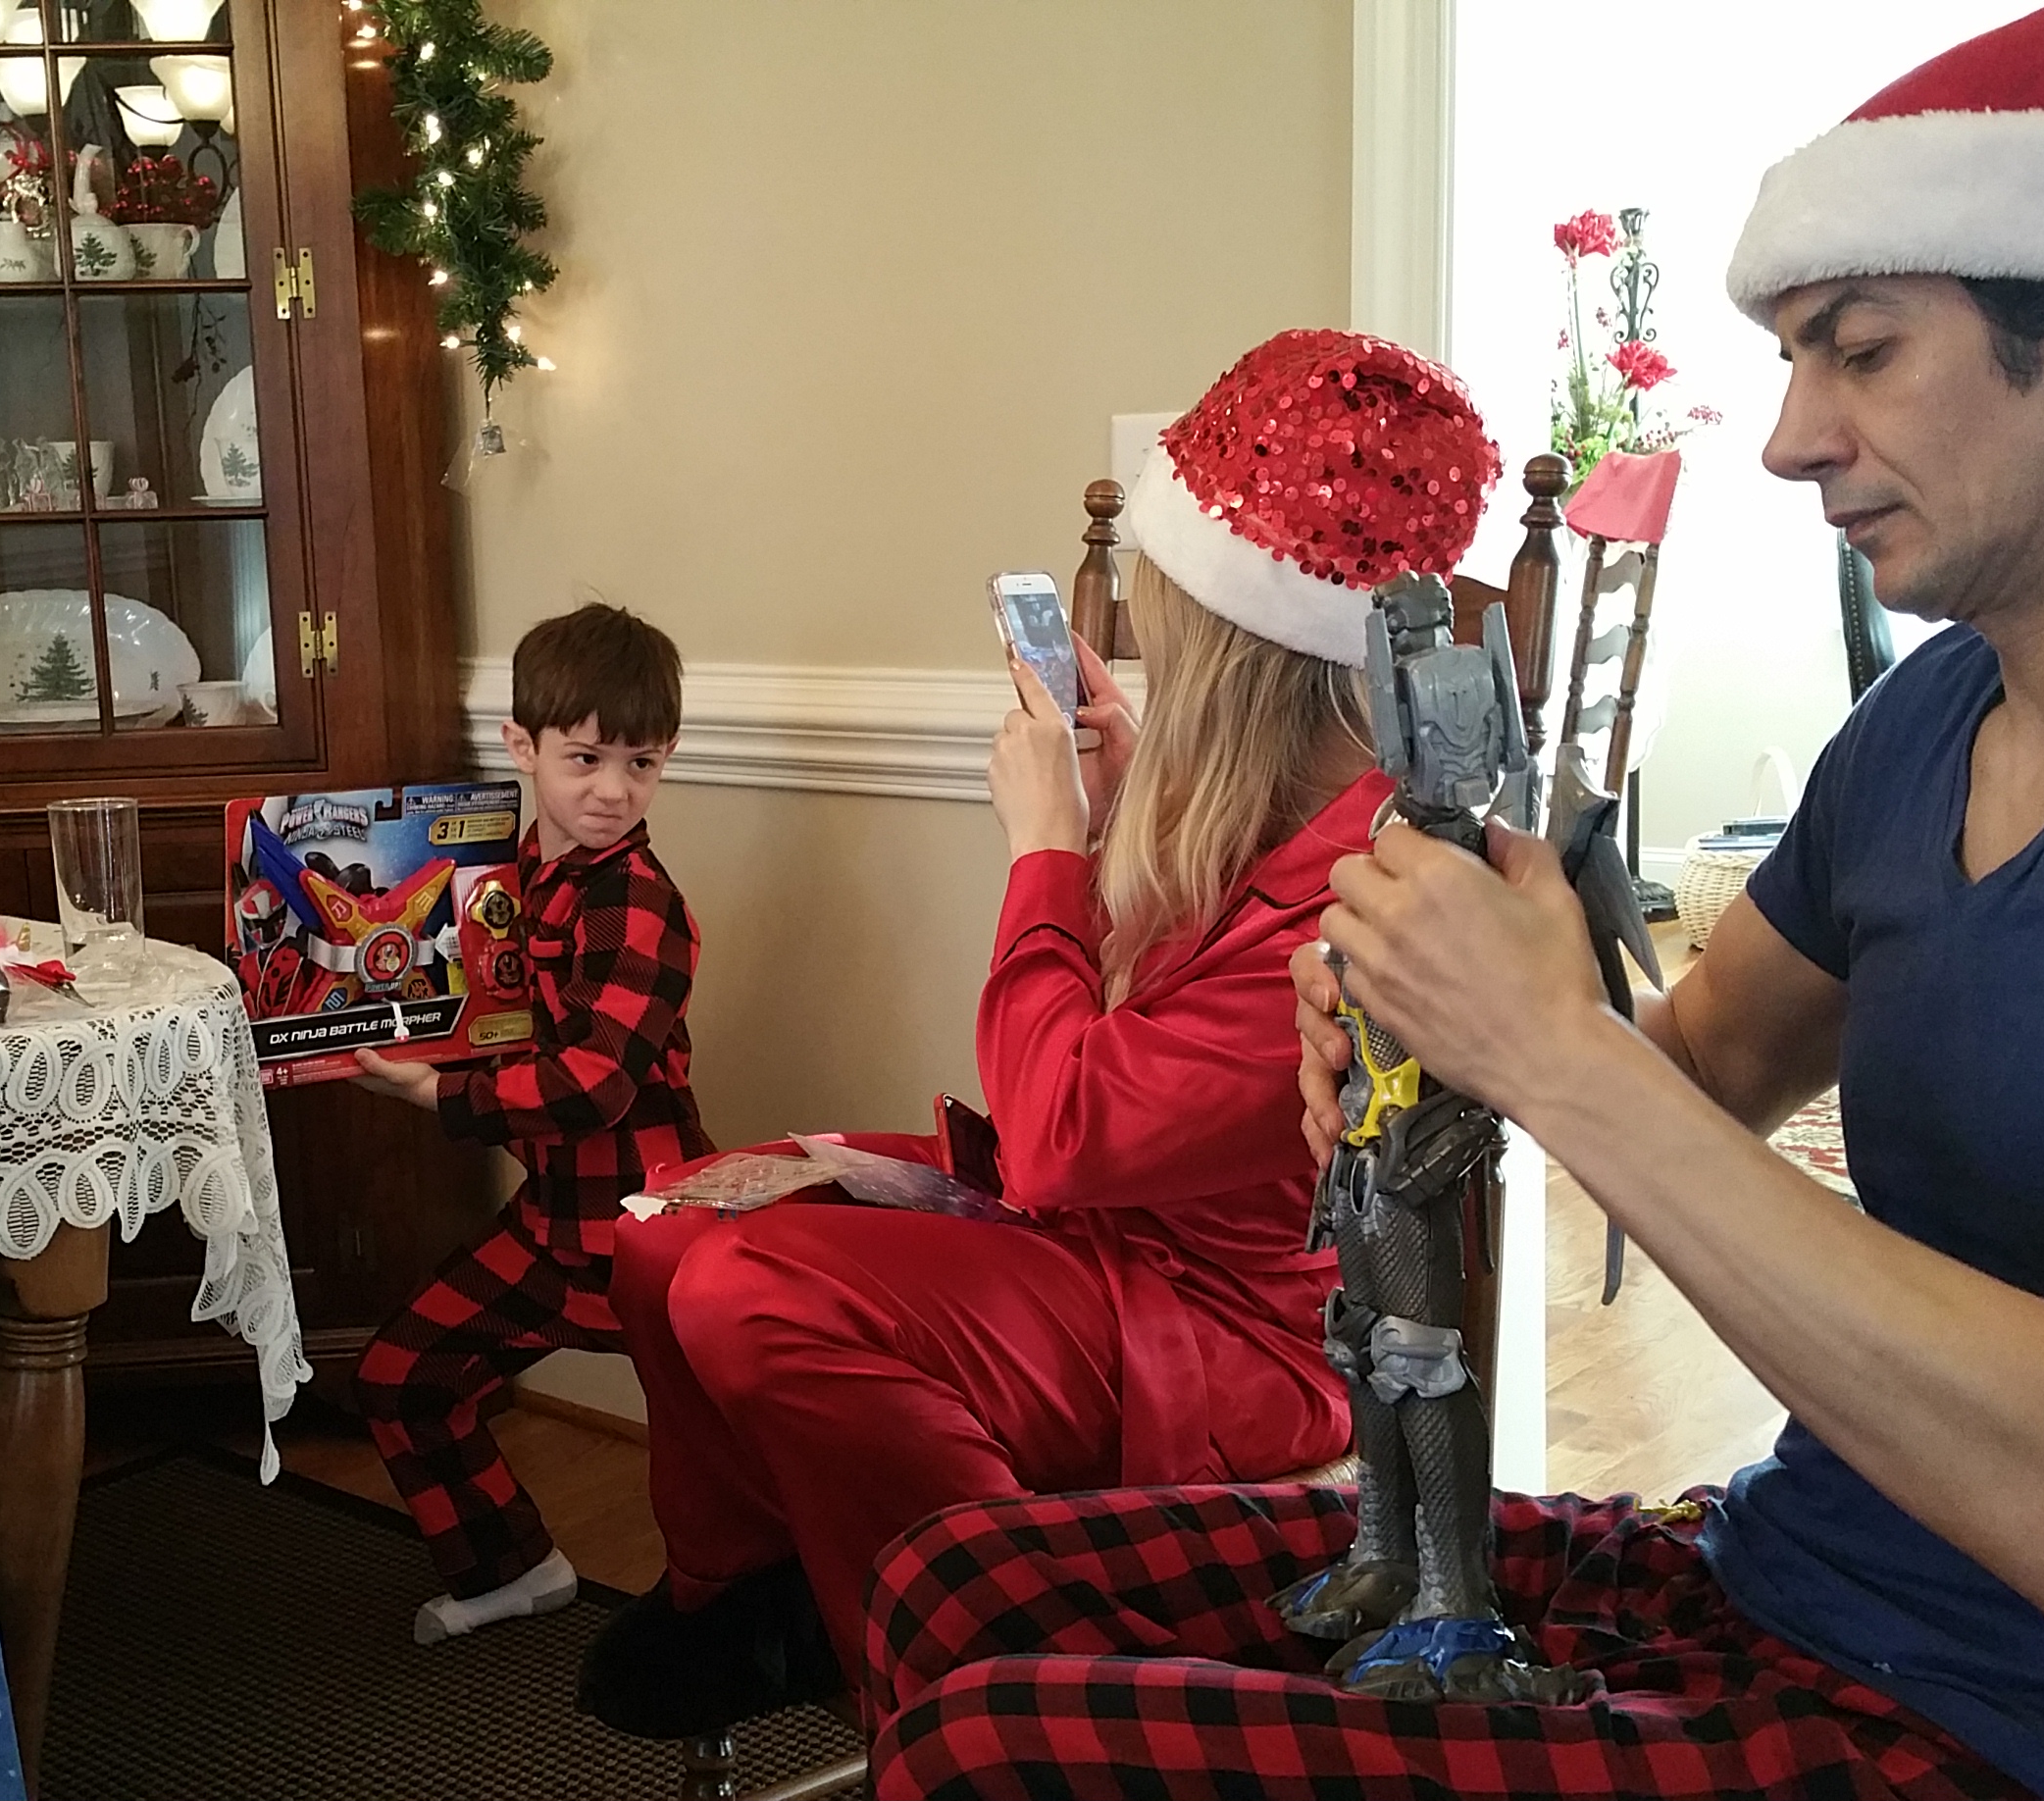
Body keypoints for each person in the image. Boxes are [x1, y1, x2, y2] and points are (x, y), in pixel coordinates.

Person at [863, 3, 2044, 1798]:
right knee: (953, 1585)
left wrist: (1554, 1051)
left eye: (1860, 350)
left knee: (994, 1751)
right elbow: (1694, 1070)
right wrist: (1446, 1034)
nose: (1789, 437)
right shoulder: (1928, 720)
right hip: (1787, 1580)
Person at [575, 330, 1507, 1740]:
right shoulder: (1269, 813)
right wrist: (1118, 807)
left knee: (750, 1295)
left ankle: (1002, 1674)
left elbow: (1065, 1131)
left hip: (1229, 1335)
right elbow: (1114, 1069)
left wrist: (1047, 850)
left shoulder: (1365, 898)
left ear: (1232, 655)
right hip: (1105, 1240)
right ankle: (752, 1598)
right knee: (666, 1226)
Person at [344, 601, 716, 1643]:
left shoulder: (636, 901)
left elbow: (594, 1084)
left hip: (650, 1231)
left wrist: (437, 1095)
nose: (612, 790)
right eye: (585, 758)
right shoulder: (507, 877)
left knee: (721, 1436)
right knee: (400, 1376)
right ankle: (513, 1566)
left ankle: (756, 1613)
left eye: (641, 764)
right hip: (556, 1219)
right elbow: (480, 1009)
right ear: (523, 746)